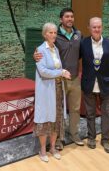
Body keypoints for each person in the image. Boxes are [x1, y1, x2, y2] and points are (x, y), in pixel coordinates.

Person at [34, 8, 84, 150]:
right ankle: (58, 140)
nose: (70, 19)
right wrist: (35, 55)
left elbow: (81, 53)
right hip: (58, 81)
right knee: (59, 110)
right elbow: (43, 52)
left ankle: (74, 134)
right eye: (67, 17)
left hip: (74, 78)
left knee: (74, 108)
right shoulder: (55, 37)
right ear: (61, 19)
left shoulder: (78, 34)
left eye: (72, 16)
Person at [80, 17, 109, 154]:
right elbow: (71, 57)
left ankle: (105, 140)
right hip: (88, 84)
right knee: (90, 114)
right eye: (94, 27)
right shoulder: (83, 43)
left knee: (106, 114)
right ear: (89, 28)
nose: (97, 29)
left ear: (102, 27)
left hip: (106, 85)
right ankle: (91, 137)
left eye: (99, 27)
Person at [34, 22, 71, 162]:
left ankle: (53, 147)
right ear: (44, 34)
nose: (53, 35)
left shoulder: (55, 49)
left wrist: (61, 73)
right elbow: (43, 72)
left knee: (56, 118)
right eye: (50, 32)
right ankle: (42, 149)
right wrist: (61, 72)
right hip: (46, 90)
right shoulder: (40, 50)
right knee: (45, 119)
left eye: (55, 32)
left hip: (57, 89)